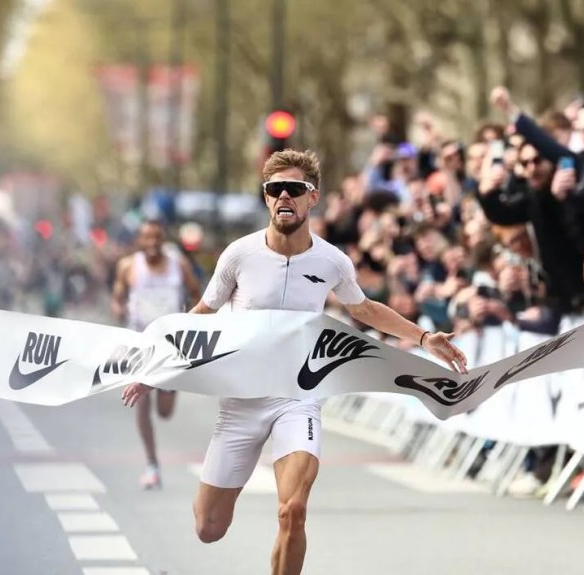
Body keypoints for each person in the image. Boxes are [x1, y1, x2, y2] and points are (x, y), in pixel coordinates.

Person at [121, 150, 468, 575]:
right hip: (241, 401)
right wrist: (152, 369)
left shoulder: (331, 260)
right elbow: (200, 317)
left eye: (295, 189)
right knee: (208, 527)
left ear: (312, 197)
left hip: (299, 398)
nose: (284, 196)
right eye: (274, 190)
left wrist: (423, 337)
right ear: (267, 199)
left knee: (293, 510)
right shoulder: (238, 255)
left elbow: (364, 309)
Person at [111, 219, 202, 489]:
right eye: (147, 237)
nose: (152, 243)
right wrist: (117, 309)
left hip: (170, 345)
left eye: (157, 238)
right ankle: (152, 464)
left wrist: (190, 325)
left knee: (164, 412)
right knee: (141, 403)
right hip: (140, 343)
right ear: (140, 240)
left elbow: (198, 295)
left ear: (163, 239)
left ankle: (168, 392)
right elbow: (117, 296)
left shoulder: (179, 265)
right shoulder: (128, 266)